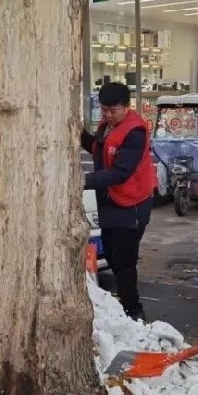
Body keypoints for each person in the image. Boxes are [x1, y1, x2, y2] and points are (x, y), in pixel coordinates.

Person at [80, 82, 158, 322]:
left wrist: (82, 181)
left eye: (113, 110)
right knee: (112, 255)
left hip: (132, 203)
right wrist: (80, 133)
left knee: (124, 260)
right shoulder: (106, 126)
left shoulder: (135, 131)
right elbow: (96, 149)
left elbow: (120, 173)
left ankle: (134, 312)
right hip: (111, 201)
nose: (107, 115)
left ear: (127, 107)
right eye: (104, 110)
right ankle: (125, 305)